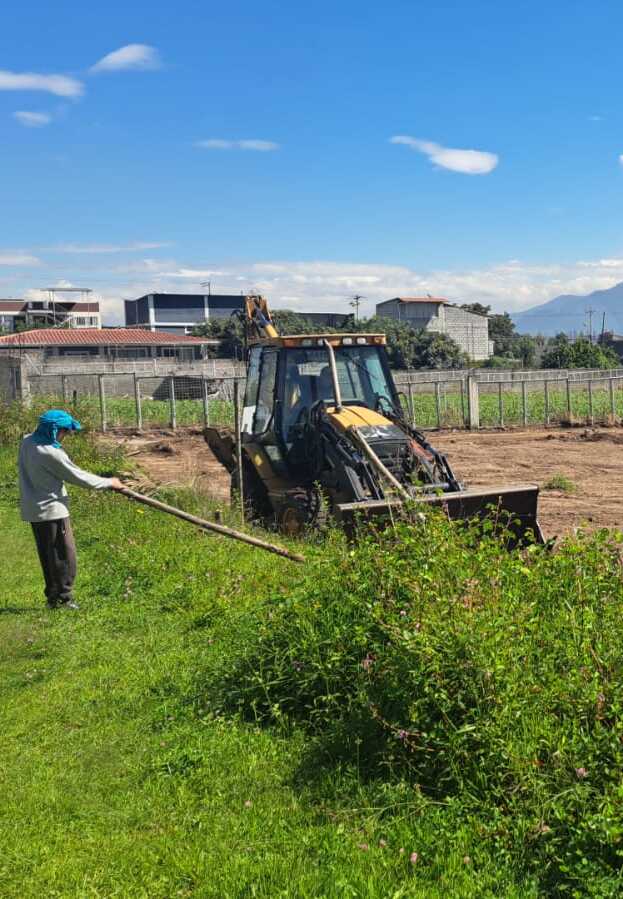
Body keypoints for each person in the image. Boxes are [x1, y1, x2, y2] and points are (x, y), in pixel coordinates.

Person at [18, 409, 124, 611]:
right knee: (64, 556)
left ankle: (53, 598)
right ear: (54, 430)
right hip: (52, 510)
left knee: (48, 555)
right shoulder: (50, 453)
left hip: (34, 508)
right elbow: (78, 476)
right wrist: (110, 482)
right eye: (64, 431)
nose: (65, 436)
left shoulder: (27, 442)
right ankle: (63, 599)